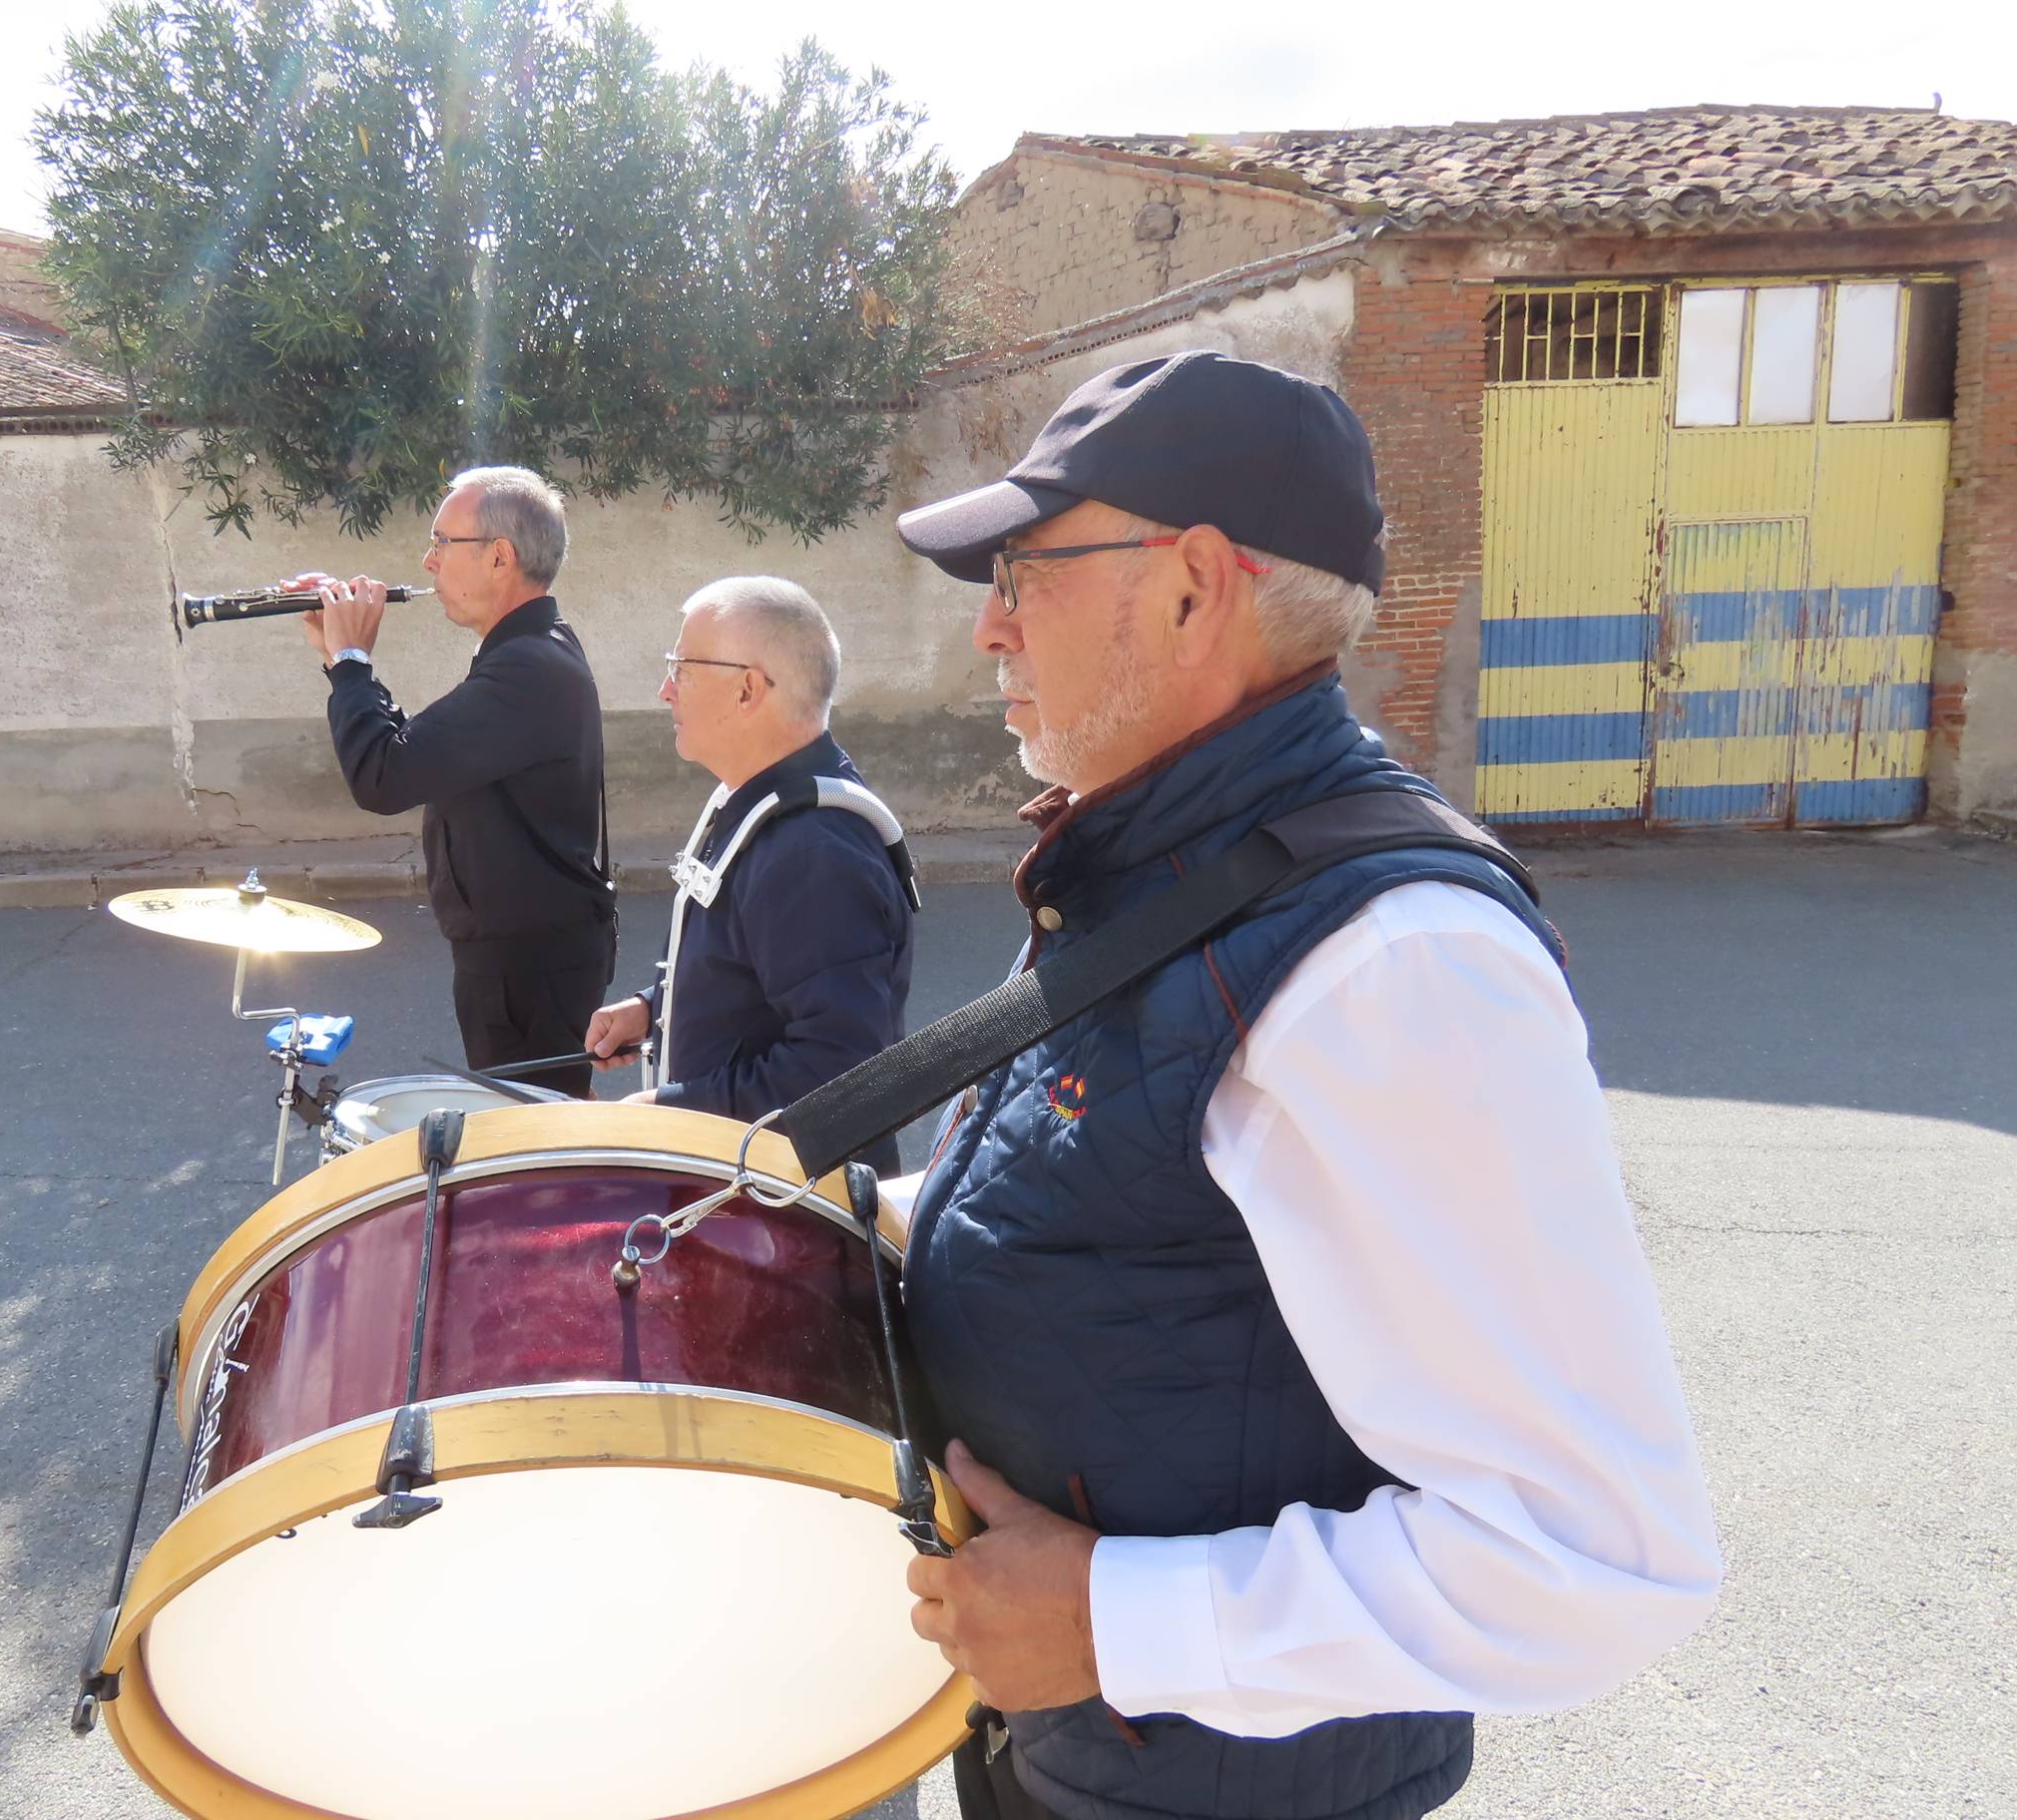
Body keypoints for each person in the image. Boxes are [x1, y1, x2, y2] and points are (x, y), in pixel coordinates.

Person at [886, 351, 1722, 1820]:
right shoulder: (1165, 855)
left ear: (1196, 585)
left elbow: (1596, 1559)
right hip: (1076, 1758)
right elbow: (1121, 1215)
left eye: (1026, 571)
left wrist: (1119, 1624)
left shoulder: (1396, 966)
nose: (992, 630)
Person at [292, 465, 614, 1098]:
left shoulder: (528, 667)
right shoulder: (526, 653)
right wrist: (340, 660)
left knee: (531, 1155)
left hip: (529, 964)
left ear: (500, 557)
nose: (428, 561)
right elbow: (418, 755)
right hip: (525, 956)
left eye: (442, 542)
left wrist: (355, 661)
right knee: (526, 1140)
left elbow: (382, 777)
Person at [583, 577, 916, 1173]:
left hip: (790, 1221)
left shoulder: (815, 853)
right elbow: (758, 974)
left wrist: (674, 1109)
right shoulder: (761, 800)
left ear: (747, 689)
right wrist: (656, 1009)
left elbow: (841, 1074)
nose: (665, 690)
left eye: (681, 667)